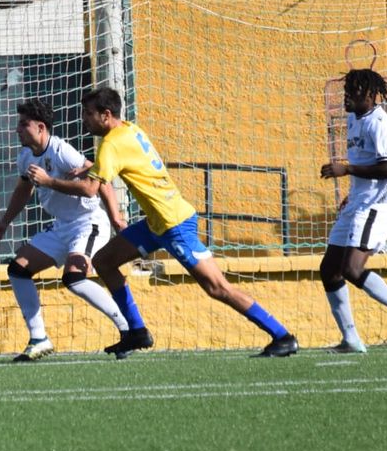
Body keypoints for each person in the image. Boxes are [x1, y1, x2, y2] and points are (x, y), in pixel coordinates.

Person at [34, 86, 299, 358]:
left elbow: (91, 190)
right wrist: (93, 167)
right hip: (156, 223)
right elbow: (132, 161)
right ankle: (136, 331)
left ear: (106, 115)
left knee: (217, 287)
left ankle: (282, 335)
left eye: (88, 114)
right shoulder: (129, 129)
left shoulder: (111, 144)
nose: (84, 119)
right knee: (103, 261)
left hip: (174, 224)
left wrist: (48, 181)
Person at [0, 98, 131, 361]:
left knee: (74, 278)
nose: (17, 130)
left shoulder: (61, 150)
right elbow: (24, 189)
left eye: (23, 125)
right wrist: (4, 222)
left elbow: (99, 183)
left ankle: (128, 327)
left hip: (88, 223)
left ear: (40, 127)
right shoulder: (26, 156)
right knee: (18, 269)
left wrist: (116, 218)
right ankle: (39, 338)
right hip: (62, 226)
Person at [318, 68, 387, 352]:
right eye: (346, 92)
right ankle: (351, 339)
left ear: (369, 95)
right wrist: (352, 191)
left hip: (377, 206)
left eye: (353, 93)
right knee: (329, 269)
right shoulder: (354, 118)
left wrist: (346, 170)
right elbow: (366, 163)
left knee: (352, 269)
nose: (347, 97)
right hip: (358, 202)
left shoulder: (380, 123)